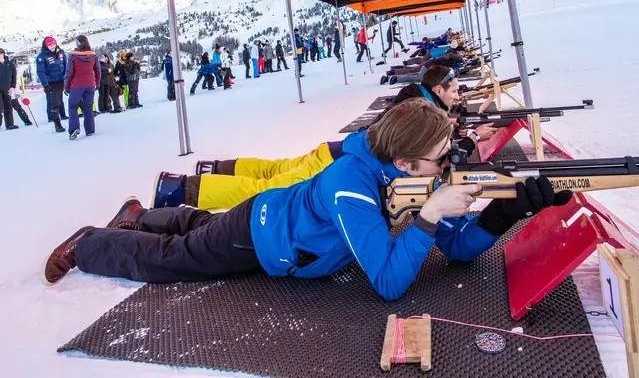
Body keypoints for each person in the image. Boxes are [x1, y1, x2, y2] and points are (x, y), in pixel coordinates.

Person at [44, 99, 572, 296]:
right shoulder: (352, 184)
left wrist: (506, 211)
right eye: (440, 158)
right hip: (263, 237)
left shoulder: (407, 173)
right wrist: (430, 216)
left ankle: (141, 215)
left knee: (202, 225)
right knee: (176, 260)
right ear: (406, 163)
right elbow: (388, 282)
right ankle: (91, 243)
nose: (447, 166)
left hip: (278, 218)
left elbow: (454, 248)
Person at [152, 66, 495, 213]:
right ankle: (180, 189)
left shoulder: (419, 102)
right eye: (454, 90)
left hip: (334, 154)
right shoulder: (417, 107)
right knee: (265, 191)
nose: (457, 95)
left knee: (275, 172)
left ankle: (214, 168)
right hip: (337, 163)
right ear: (438, 90)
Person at [64, 35, 100, 141]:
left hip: (77, 85)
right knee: (88, 107)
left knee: (73, 106)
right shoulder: (93, 55)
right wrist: (97, 83)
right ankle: (90, 130)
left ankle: (74, 128)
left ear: (78, 43)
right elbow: (98, 71)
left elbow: (69, 72)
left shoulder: (73, 56)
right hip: (90, 84)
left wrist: (67, 86)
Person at [36, 36, 67, 131]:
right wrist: (45, 84)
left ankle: (63, 115)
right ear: (46, 46)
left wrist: (67, 78)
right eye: (50, 45)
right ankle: (56, 122)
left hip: (62, 80)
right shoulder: (42, 57)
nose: (52, 46)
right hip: (52, 83)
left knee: (62, 99)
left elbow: (66, 65)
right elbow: (41, 72)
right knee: (54, 103)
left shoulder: (60, 52)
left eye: (53, 44)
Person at [0, 48, 18, 130]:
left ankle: (10, 124)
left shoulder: (10, 64)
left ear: (3, 54)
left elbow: (14, 76)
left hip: (7, 88)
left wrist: (12, 87)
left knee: (8, 106)